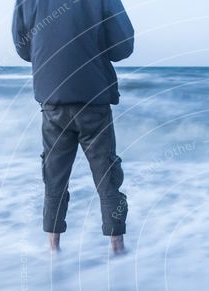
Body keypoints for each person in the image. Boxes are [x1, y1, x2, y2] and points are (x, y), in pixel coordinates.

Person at [12, 0, 134, 254]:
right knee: (107, 178)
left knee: (54, 179)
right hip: (93, 98)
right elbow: (123, 47)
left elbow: (24, 48)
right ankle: (118, 252)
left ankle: (53, 253)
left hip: (52, 99)